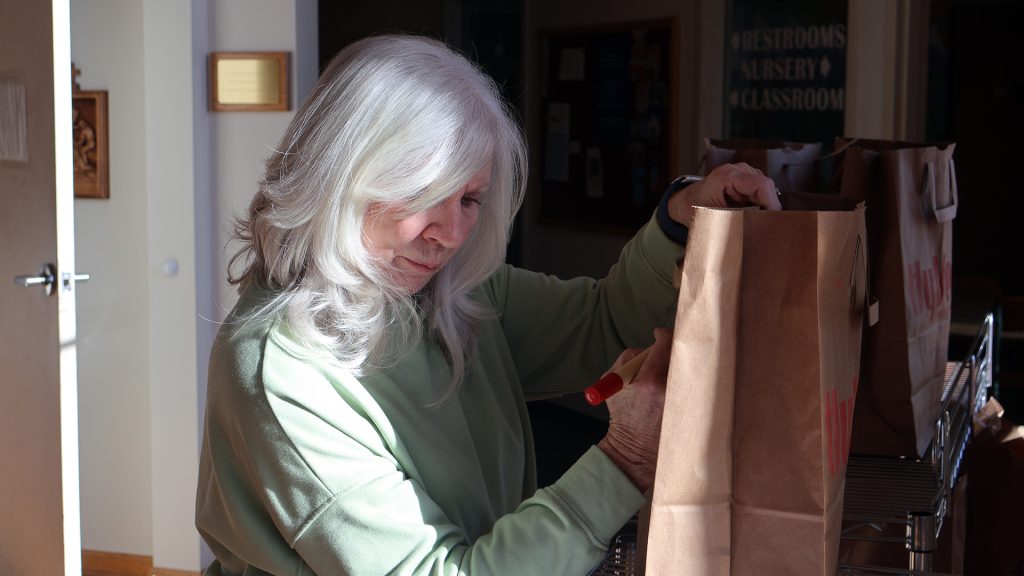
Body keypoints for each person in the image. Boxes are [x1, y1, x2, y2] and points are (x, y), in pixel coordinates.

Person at [195, 33, 781, 576]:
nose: (449, 234)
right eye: (422, 194)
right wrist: (625, 460)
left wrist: (680, 224)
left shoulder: (448, 291)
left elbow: (603, 326)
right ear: (338, 174)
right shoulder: (283, 370)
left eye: (470, 198)